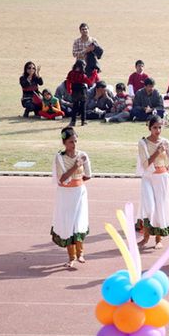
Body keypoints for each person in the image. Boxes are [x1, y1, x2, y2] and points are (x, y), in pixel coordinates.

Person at [51, 126, 91, 268]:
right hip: (65, 195)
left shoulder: (83, 155)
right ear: (64, 143)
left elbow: (88, 175)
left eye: (75, 141)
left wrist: (77, 181)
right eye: (70, 142)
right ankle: (71, 257)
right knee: (68, 224)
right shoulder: (59, 157)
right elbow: (62, 179)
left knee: (79, 222)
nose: (73, 145)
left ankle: (80, 253)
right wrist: (75, 167)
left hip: (79, 193)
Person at [136, 116, 169, 249]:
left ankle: (158, 239)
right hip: (148, 178)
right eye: (154, 127)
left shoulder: (166, 142)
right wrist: (157, 152)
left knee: (160, 207)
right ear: (149, 128)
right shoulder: (143, 143)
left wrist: (163, 171)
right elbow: (146, 164)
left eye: (160, 127)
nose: (157, 130)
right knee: (149, 207)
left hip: (162, 178)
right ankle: (145, 237)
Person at [65, 59, 98, 127]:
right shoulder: (83, 75)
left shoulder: (71, 73)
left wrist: (69, 90)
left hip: (74, 91)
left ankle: (73, 121)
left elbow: (68, 82)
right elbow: (90, 82)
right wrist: (94, 73)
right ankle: (83, 121)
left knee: (75, 106)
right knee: (83, 107)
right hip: (82, 91)